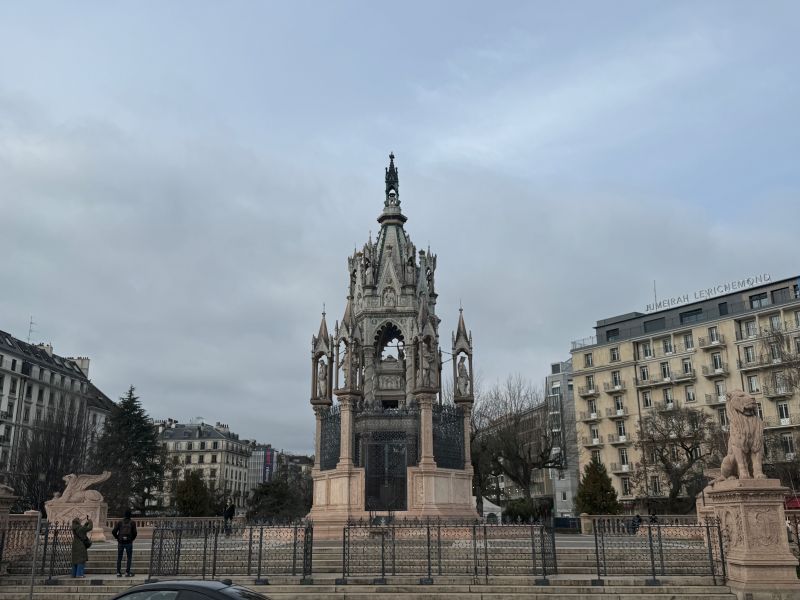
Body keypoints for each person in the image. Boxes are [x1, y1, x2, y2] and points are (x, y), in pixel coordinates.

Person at [112, 509, 138, 577]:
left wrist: (117, 538)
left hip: (121, 542)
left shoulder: (120, 522)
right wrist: (132, 539)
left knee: (119, 557)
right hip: (129, 542)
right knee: (129, 557)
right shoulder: (132, 522)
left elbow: (114, 531)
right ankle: (127, 572)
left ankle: (118, 572)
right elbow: (135, 533)